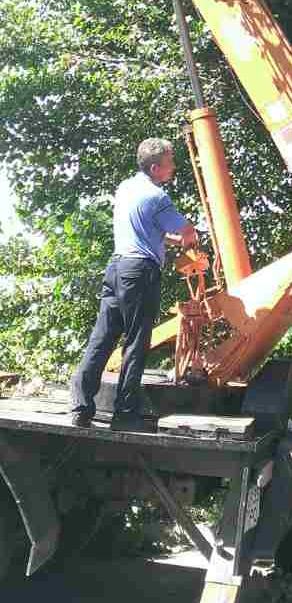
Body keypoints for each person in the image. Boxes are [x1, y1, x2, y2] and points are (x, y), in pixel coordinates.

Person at [70, 138, 198, 431]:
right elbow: (187, 231)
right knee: (137, 341)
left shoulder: (126, 188)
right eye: (169, 163)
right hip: (140, 272)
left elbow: (145, 228)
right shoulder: (157, 197)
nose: (173, 167)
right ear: (155, 168)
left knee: (102, 337)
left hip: (117, 268)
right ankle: (125, 414)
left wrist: (170, 240)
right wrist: (189, 239)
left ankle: (80, 407)